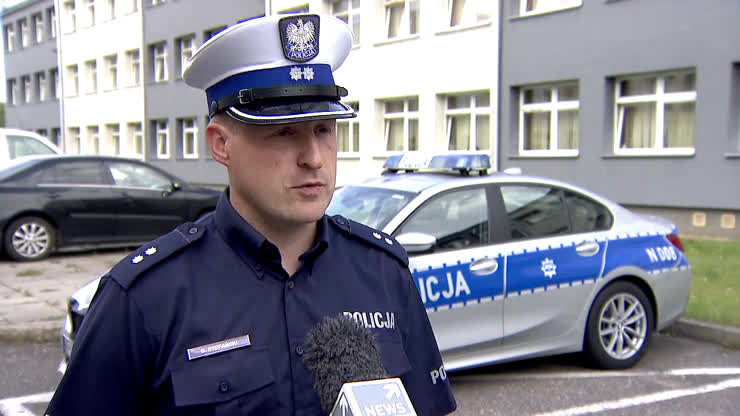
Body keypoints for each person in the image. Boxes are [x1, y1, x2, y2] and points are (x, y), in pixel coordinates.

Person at [45, 13, 456, 416]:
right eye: (284, 132)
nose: (313, 158)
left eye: (323, 130)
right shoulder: (145, 297)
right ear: (221, 144)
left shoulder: (382, 271)